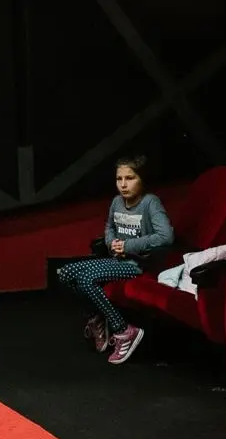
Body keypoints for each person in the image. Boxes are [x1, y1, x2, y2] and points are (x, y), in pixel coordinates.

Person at [56, 155, 174, 365]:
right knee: (65, 273)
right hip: (117, 261)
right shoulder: (116, 202)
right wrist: (112, 244)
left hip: (137, 265)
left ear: (141, 179)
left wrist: (128, 246)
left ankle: (124, 330)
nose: (123, 184)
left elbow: (166, 236)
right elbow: (109, 228)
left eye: (130, 178)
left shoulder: (150, 203)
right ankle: (98, 318)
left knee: (86, 279)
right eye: (119, 179)